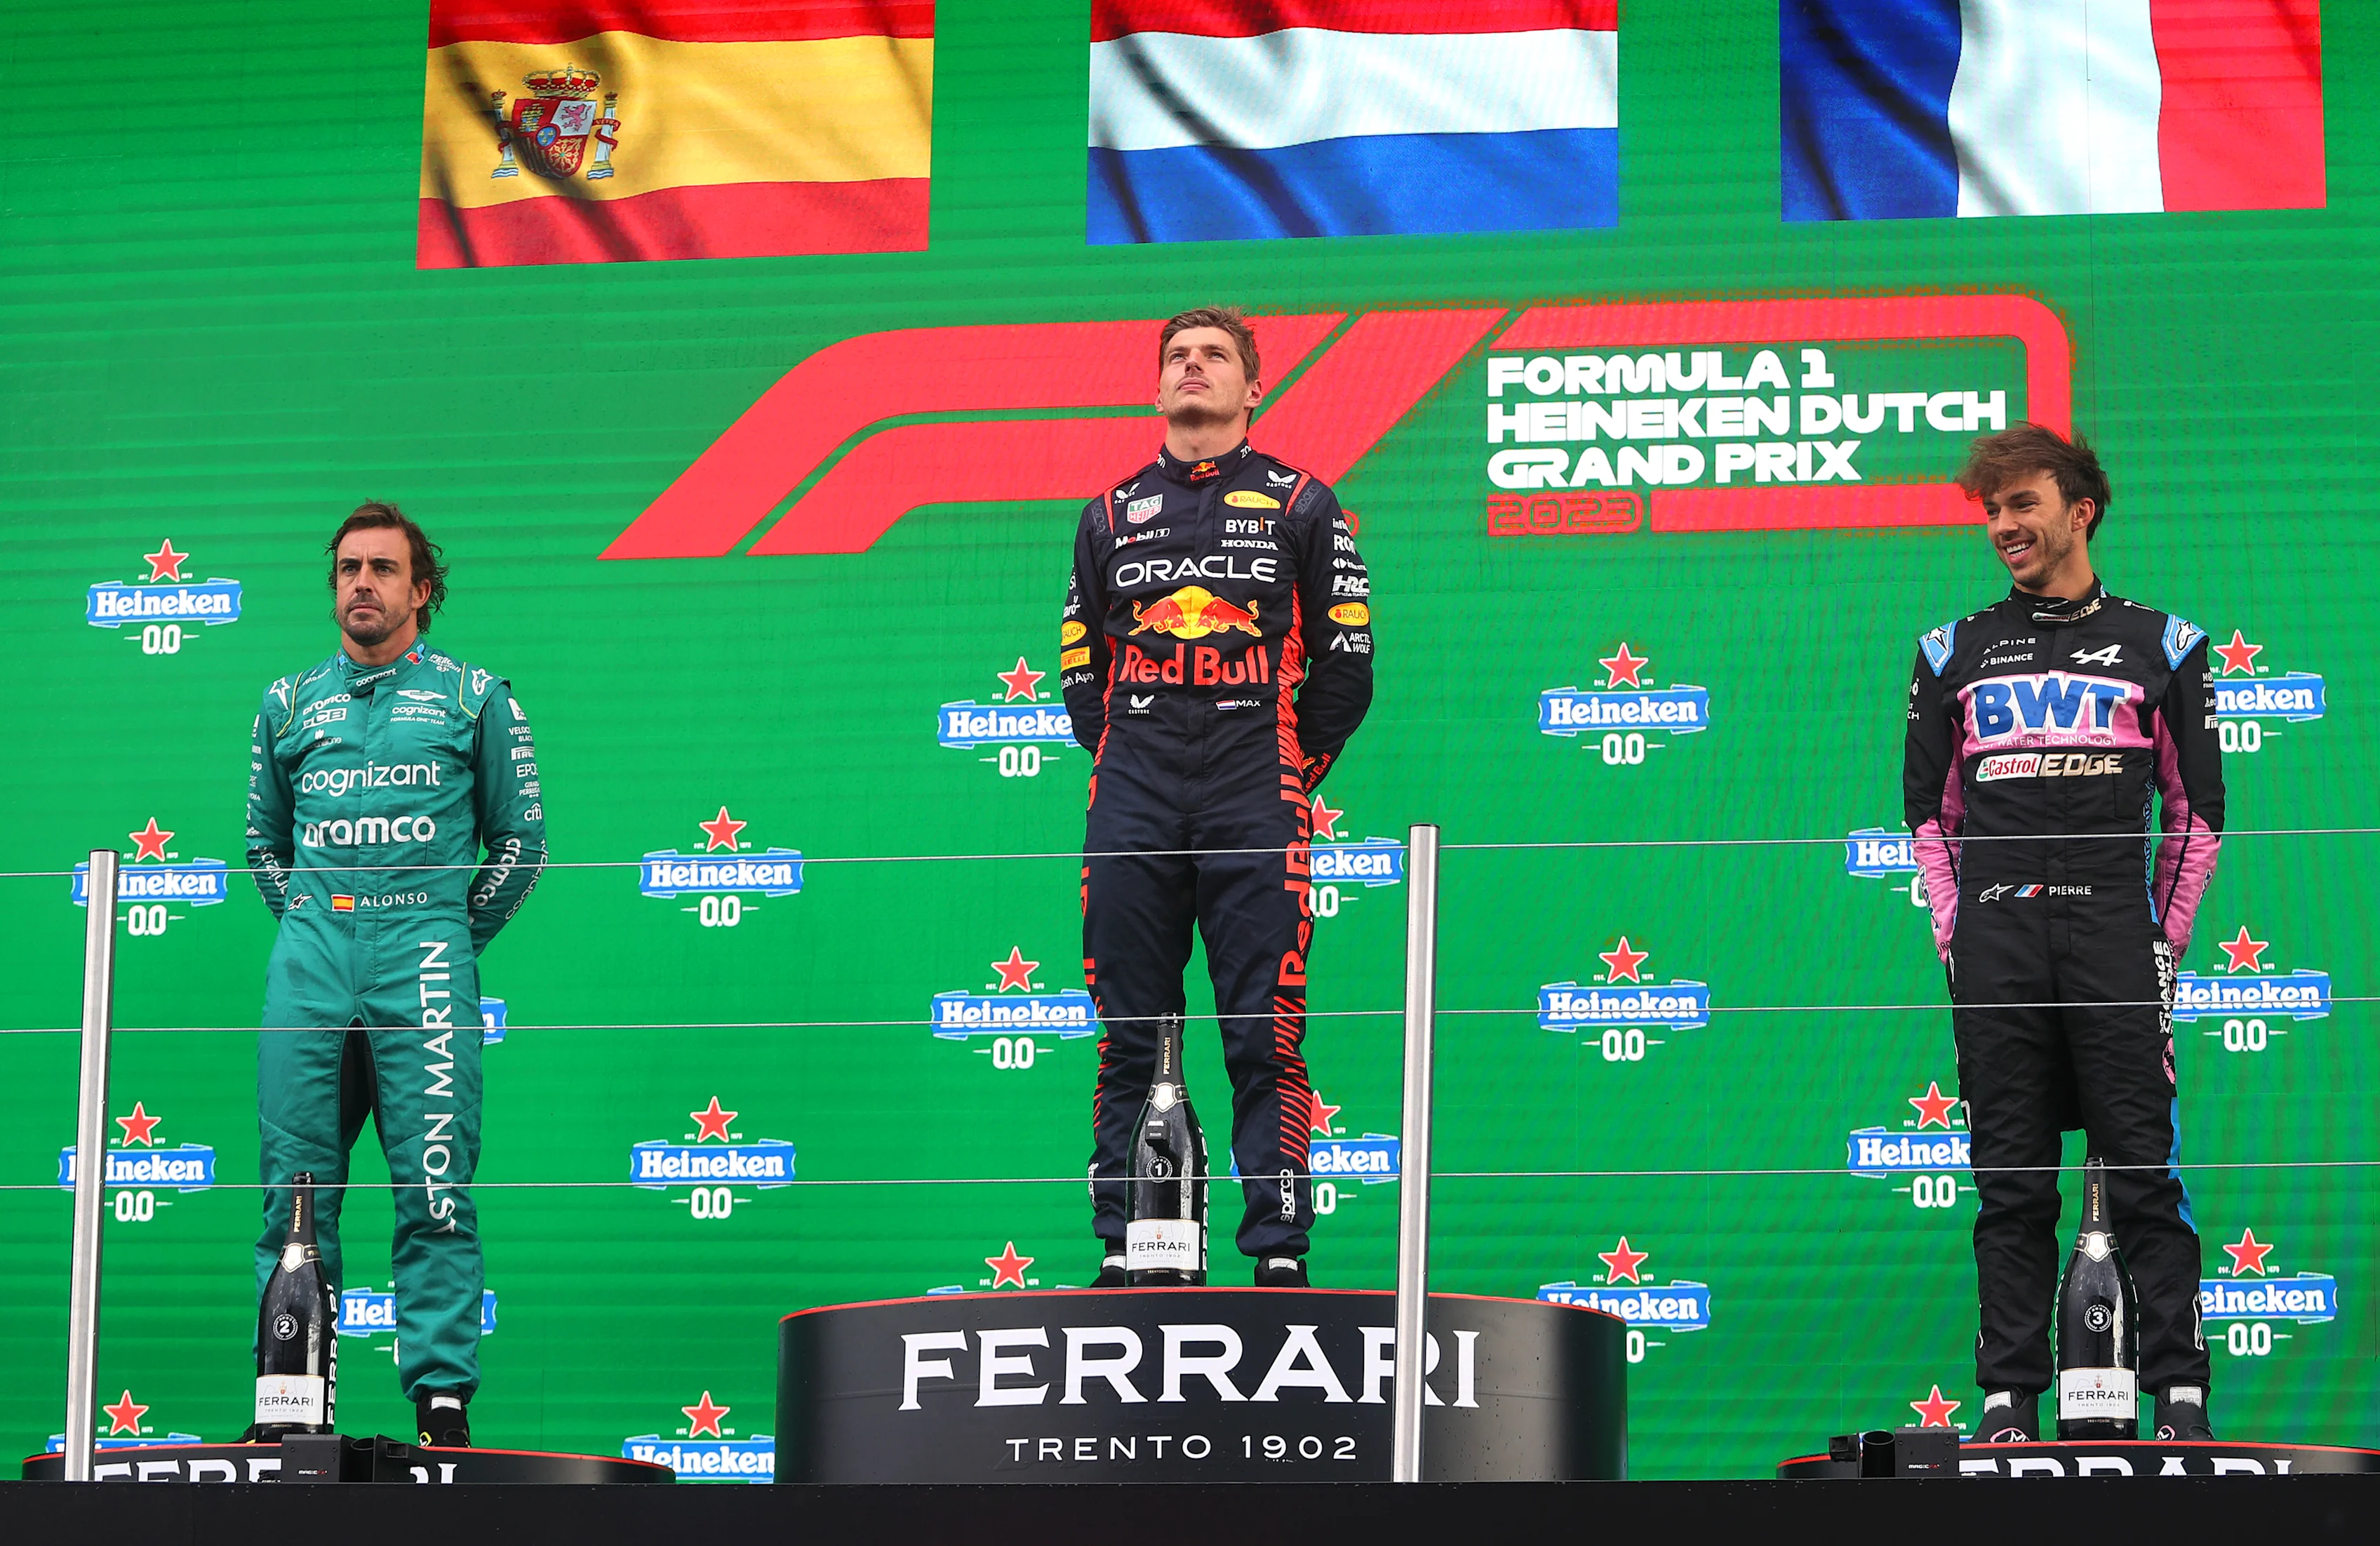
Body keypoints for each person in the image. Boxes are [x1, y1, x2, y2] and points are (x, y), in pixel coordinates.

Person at [1904, 425, 2222, 1442]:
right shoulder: (1949, 651)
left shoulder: (2163, 644)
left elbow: (2198, 811)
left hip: (2113, 936)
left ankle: (2179, 1399)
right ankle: (2006, 1403)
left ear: (2080, 509)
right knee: (2010, 1183)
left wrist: (2158, 941)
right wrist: (1960, 937)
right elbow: (1926, 818)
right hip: (1998, 945)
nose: (2004, 526)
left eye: (2022, 504)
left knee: (2142, 1176)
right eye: (1992, 511)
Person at [1061, 306, 1374, 1288]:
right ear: (1158, 387)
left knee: (1262, 1033)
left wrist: (1277, 765)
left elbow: (1347, 670)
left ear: (1253, 388)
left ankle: (1276, 1256)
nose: (1193, 369)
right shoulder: (1108, 514)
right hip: (1135, 794)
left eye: (1215, 358)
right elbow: (1081, 674)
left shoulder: (1303, 504)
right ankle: (1131, 1247)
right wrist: (1136, 752)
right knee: (1131, 1035)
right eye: (1178, 358)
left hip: (1255, 792)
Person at [245, 502, 546, 1447]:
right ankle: (292, 1405)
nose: (361, 583)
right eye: (346, 568)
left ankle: (443, 1407)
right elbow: (263, 840)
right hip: (312, 957)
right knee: (293, 1193)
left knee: (434, 1187)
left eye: (382, 568)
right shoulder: (287, 704)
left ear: (422, 589)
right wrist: (314, 922)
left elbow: (522, 843)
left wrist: (448, 934)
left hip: (424, 959)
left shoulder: (474, 697)